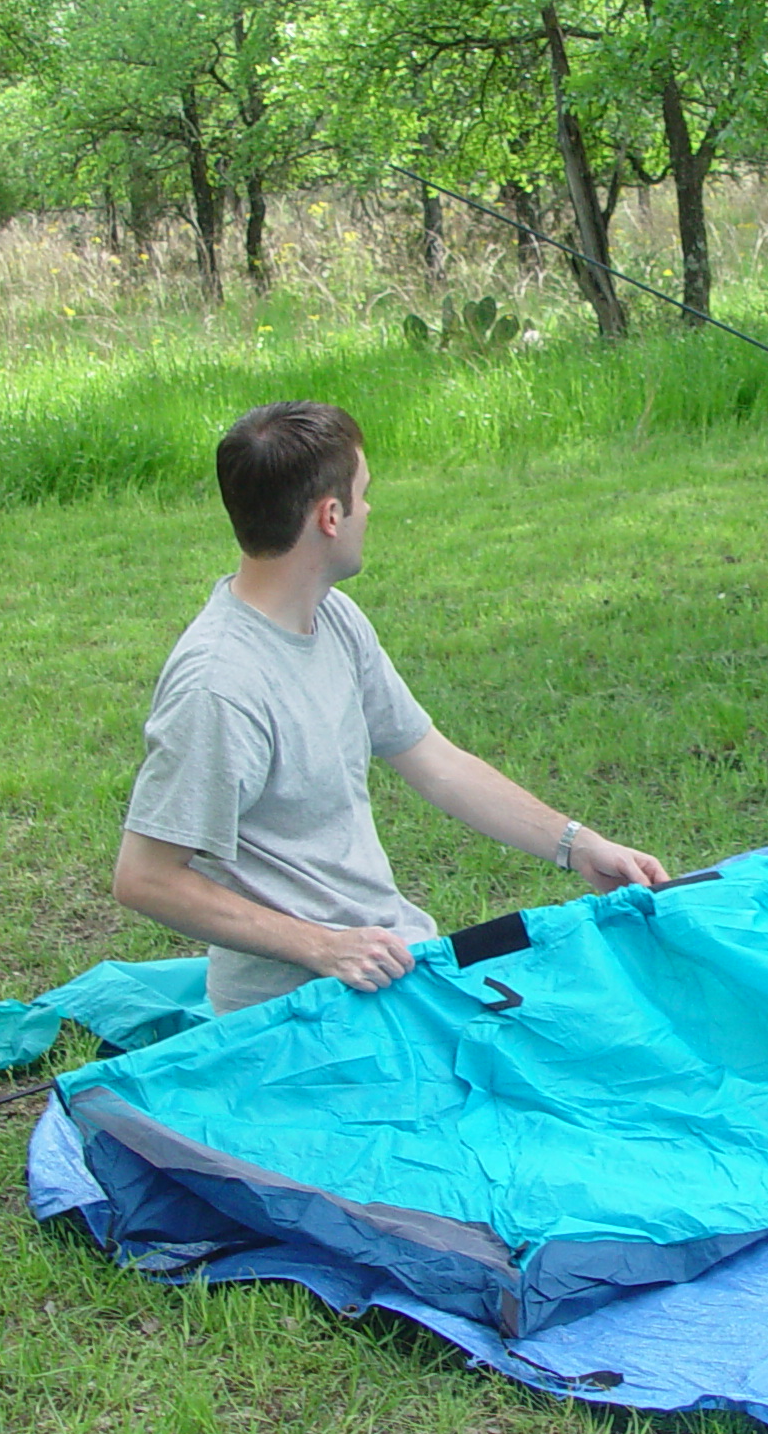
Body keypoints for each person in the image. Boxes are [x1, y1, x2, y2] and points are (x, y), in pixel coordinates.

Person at [113, 400, 667, 1012]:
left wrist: (579, 843)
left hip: (391, 964)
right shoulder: (218, 687)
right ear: (330, 516)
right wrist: (322, 946)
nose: (369, 510)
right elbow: (146, 877)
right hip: (300, 1012)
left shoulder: (333, 617)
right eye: (363, 492)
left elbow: (435, 762)